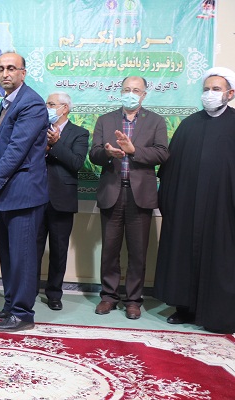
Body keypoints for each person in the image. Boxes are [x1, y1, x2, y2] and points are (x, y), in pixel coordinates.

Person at [154, 67, 235, 334]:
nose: (210, 94)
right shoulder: (189, 124)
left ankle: (218, 313)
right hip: (188, 207)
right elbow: (170, 169)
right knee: (185, 254)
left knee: (220, 258)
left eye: (216, 89)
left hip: (222, 208)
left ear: (230, 94)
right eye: (206, 89)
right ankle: (184, 308)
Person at [0, 52, 48, 332]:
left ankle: (23, 314)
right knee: (8, 255)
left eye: (12, 68)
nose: (5, 73)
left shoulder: (31, 103)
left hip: (23, 193)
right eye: (1, 68)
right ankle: (11, 306)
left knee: (22, 257)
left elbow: (16, 150)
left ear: (23, 73)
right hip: (7, 193)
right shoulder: (8, 102)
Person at [89, 76, 169, 320]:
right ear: (120, 92)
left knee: (138, 252)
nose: (130, 94)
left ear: (144, 95)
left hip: (140, 195)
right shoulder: (105, 120)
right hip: (112, 192)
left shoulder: (156, 121)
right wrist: (107, 153)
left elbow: (162, 154)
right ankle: (108, 297)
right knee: (109, 250)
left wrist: (134, 151)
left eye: (136, 90)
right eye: (126, 89)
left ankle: (133, 300)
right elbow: (94, 154)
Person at [36, 91, 89, 311]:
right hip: (35, 197)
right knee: (33, 249)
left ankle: (54, 294)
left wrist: (56, 144)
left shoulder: (79, 133)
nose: (47, 107)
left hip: (62, 200)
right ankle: (28, 291)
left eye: (51, 104)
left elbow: (76, 163)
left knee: (59, 250)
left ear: (64, 108)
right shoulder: (38, 128)